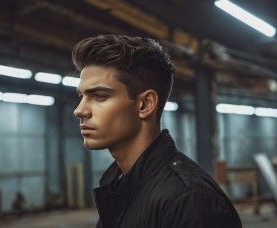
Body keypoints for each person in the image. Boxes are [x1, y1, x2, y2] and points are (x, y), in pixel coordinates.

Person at [72, 34, 242, 228]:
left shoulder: (190, 199)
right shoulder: (121, 185)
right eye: (82, 96)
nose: (79, 110)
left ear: (145, 104)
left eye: (100, 96)